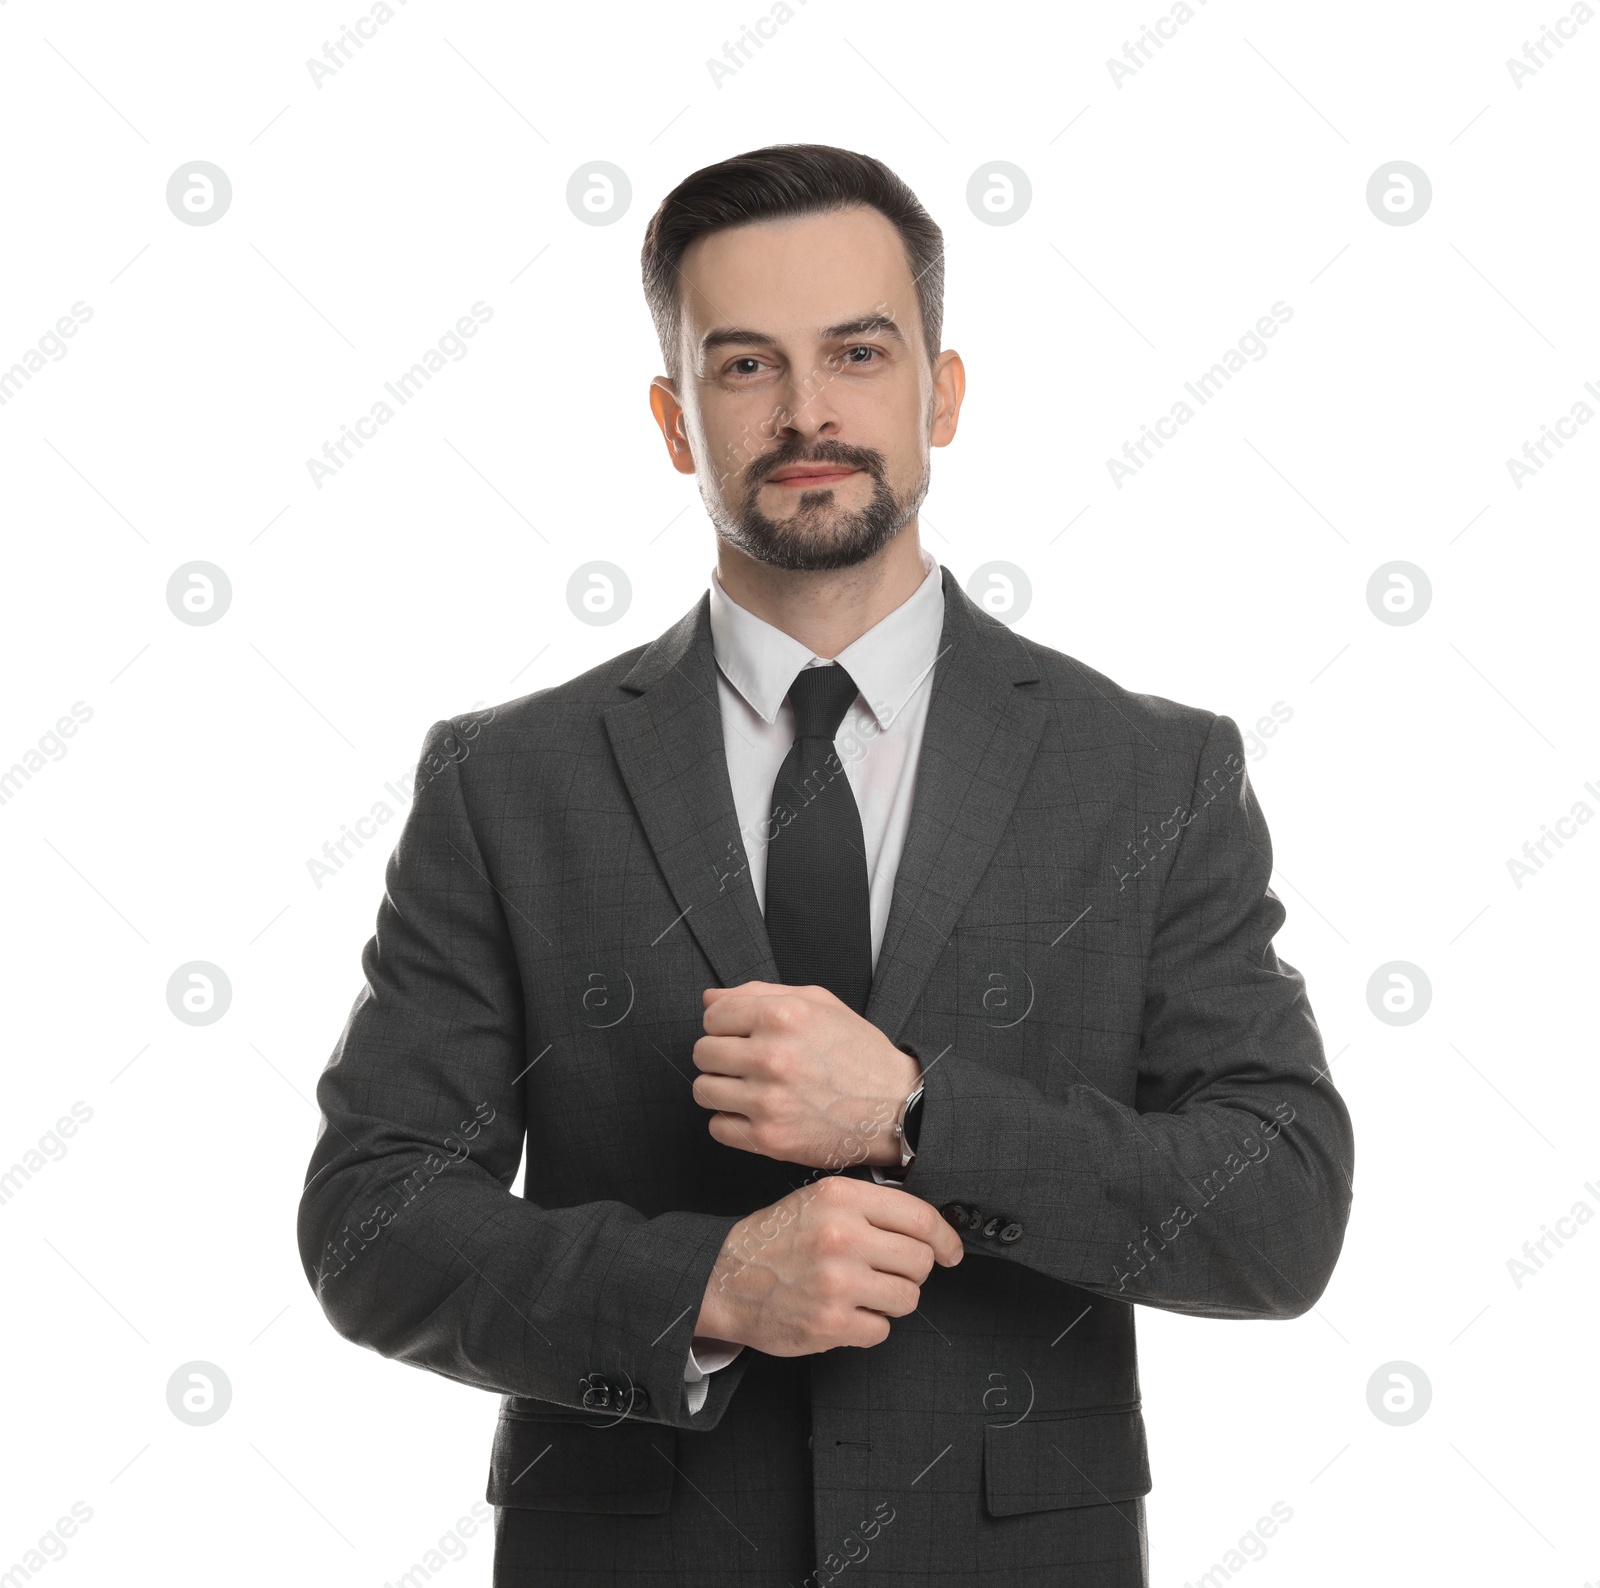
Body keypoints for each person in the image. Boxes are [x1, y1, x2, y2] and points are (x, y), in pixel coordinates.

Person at [297, 142, 1355, 1588]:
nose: (808, 413)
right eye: (744, 368)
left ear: (943, 392)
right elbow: (373, 1215)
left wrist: (919, 1117)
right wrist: (712, 1287)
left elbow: (1279, 1209)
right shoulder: (506, 783)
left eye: (857, 352)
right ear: (676, 422)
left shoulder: (1151, 774)